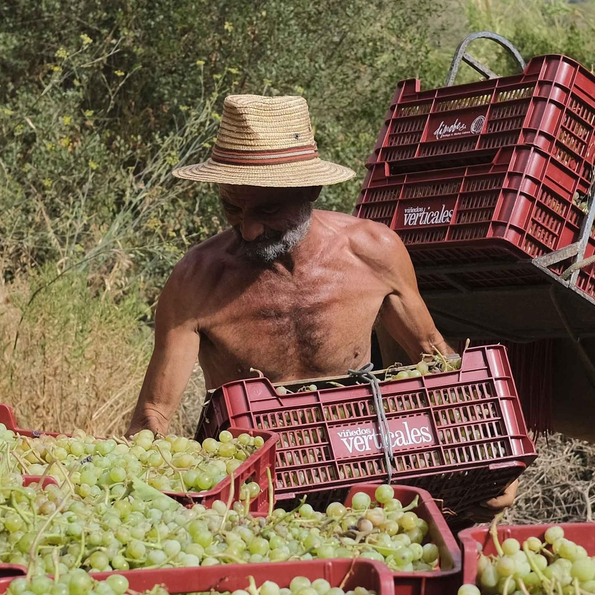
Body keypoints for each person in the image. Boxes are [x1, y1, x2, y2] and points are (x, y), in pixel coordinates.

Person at [127, 93, 518, 513]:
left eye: (268, 209)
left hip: (363, 473)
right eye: (231, 208)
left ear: (309, 189)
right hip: (252, 490)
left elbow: (435, 357)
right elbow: (153, 413)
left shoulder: (373, 253)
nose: (251, 229)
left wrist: (494, 465)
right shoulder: (196, 281)